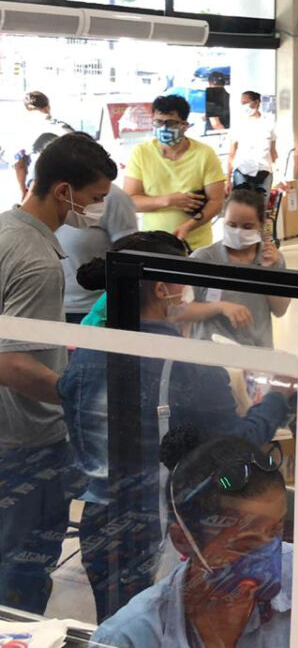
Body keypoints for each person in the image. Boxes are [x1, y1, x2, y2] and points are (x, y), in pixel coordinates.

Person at [61, 230, 292, 621]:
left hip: (99, 525)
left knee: (118, 626)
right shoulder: (187, 366)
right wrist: (276, 402)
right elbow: (235, 446)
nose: (187, 294)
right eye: (182, 283)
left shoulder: (85, 353)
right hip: (165, 530)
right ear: (162, 289)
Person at [91, 426, 298, 647]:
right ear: (184, 541)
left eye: (276, 531)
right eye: (245, 544)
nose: (270, 555)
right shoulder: (127, 638)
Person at [0, 133, 117, 614]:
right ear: (63, 190)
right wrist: (79, 399)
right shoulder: (37, 263)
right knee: (21, 571)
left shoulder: (6, 230)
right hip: (28, 442)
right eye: (94, 199)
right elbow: (10, 363)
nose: (95, 209)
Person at [190, 189, 290, 349]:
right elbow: (180, 311)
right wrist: (220, 307)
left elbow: (280, 310)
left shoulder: (273, 259)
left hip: (256, 352)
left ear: (261, 226)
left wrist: (269, 272)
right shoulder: (203, 259)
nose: (238, 231)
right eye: (232, 225)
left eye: (247, 226)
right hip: (211, 354)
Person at [124, 95, 225, 250]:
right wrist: (168, 200)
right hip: (153, 244)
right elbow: (130, 201)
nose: (163, 128)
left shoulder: (205, 154)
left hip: (196, 246)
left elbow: (216, 201)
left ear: (184, 125)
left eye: (170, 123)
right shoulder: (141, 153)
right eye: (158, 122)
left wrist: (188, 227)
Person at [58, 178, 138, 324]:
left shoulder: (113, 197)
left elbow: (129, 253)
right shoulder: (49, 194)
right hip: (50, 306)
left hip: (92, 310)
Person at [12, 91, 73, 201]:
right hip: (70, 184)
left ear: (28, 109)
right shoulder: (64, 127)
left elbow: (20, 165)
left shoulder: (23, 130)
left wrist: (24, 192)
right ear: (48, 107)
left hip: (40, 185)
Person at [226, 90, 276, 194]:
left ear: (256, 103)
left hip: (264, 171)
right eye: (242, 103)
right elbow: (232, 153)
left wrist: (279, 173)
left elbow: (273, 151)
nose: (244, 106)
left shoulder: (269, 124)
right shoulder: (238, 124)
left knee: (261, 207)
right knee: (241, 205)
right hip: (242, 171)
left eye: (246, 103)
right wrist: (228, 179)